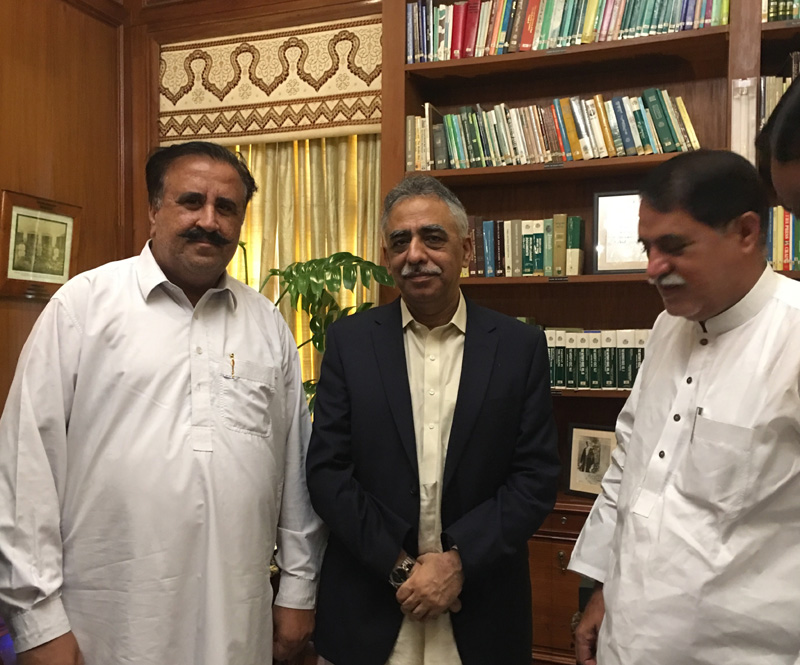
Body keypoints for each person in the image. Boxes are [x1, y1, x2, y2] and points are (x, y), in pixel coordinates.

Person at [0, 141, 325, 665]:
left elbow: (295, 470)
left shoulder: (266, 325)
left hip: (237, 619)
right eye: (191, 201)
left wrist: (298, 589)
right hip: (108, 626)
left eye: (226, 208)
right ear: (154, 209)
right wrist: (37, 624)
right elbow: (25, 467)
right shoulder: (84, 307)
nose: (209, 221)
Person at [306, 174, 560, 665]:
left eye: (433, 238)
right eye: (400, 241)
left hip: (480, 611)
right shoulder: (349, 344)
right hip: (369, 609)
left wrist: (458, 564)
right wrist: (402, 568)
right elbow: (327, 472)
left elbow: (535, 477)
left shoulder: (519, 347)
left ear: (466, 249)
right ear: (386, 256)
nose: (415, 254)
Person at [568, 149, 800, 665]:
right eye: (647, 247)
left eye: (673, 247)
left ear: (745, 232)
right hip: (627, 638)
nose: (653, 269)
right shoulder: (666, 327)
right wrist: (602, 588)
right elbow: (630, 463)